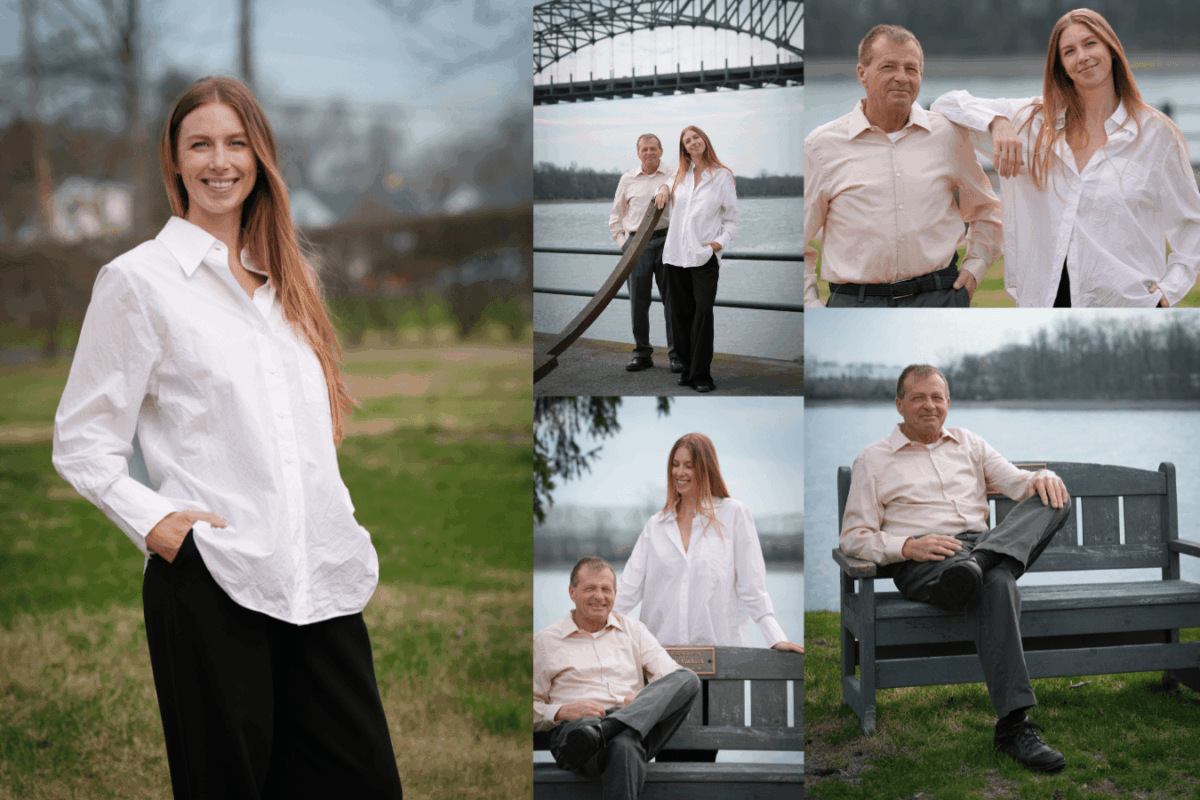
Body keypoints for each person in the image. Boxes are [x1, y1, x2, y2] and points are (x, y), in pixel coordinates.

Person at [51, 77, 403, 799]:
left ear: (260, 157)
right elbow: (82, 441)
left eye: (237, 143)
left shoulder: (292, 280)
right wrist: (158, 525)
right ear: (175, 162)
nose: (220, 161)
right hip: (212, 578)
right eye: (200, 145)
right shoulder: (138, 281)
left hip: (317, 578)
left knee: (365, 782)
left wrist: (336, 516)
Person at [841, 364, 1072, 773]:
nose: (929, 406)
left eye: (937, 397)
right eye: (918, 397)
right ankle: (1014, 727)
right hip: (926, 561)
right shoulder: (873, 460)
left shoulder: (970, 443)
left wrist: (1045, 476)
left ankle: (979, 564)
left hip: (980, 547)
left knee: (1054, 498)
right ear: (899, 405)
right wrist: (907, 545)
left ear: (948, 402)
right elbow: (853, 537)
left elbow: (1021, 484)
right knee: (998, 583)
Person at [932, 8, 1200, 307]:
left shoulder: (1157, 134)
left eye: (1090, 44)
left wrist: (1169, 292)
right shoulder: (1031, 122)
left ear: (1111, 50)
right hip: (1043, 306)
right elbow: (946, 104)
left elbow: (1192, 225)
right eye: (1069, 51)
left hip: (1127, 305)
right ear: (1060, 66)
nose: (1082, 56)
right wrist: (998, 122)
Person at [614, 432, 803, 762]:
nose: (679, 472)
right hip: (660, 668)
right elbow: (626, 592)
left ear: (706, 467)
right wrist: (590, 632)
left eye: (688, 465)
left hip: (716, 667)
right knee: (665, 761)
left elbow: (752, 587)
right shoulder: (656, 526)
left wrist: (774, 636)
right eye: (675, 465)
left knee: (700, 759)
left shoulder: (734, 515)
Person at [803, 24, 1002, 308]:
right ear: (862, 73)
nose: (902, 77)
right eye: (889, 67)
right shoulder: (821, 146)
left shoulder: (948, 135)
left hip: (939, 299)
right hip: (856, 305)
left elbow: (987, 209)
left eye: (911, 69)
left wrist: (975, 269)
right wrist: (810, 303)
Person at [534, 557, 702, 800]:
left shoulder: (634, 631)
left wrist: (643, 698)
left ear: (615, 593)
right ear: (572, 592)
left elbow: (672, 677)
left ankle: (608, 729)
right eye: (590, 588)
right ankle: (607, 730)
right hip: (578, 734)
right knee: (624, 745)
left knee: (688, 679)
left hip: (634, 728)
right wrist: (563, 711)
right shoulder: (546, 641)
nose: (599, 596)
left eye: (606, 589)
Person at [653, 126, 738, 393]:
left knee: (702, 313)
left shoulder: (723, 176)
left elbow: (732, 220)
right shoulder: (680, 175)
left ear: (704, 140)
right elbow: (665, 183)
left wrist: (718, 243)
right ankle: (687, 368)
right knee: (679, 314)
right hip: (675, 255)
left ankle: (701, 375)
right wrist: (663, 188)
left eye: (695, 137)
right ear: (684, 149)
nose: (692, 142)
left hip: (703, 256)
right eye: (687, 141)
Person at [608, 134, 681, 373]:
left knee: (673, 301)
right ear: (638, 153)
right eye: (644, 149)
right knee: (638, 302)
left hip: (668, 242)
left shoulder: (674, 174)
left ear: (661, 151)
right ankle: (642, 354)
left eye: (653, 148)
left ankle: (677, 355)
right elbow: (615, 218)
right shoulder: (627, 179)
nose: (649, 153)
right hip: (636, 245)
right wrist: (625, 246)